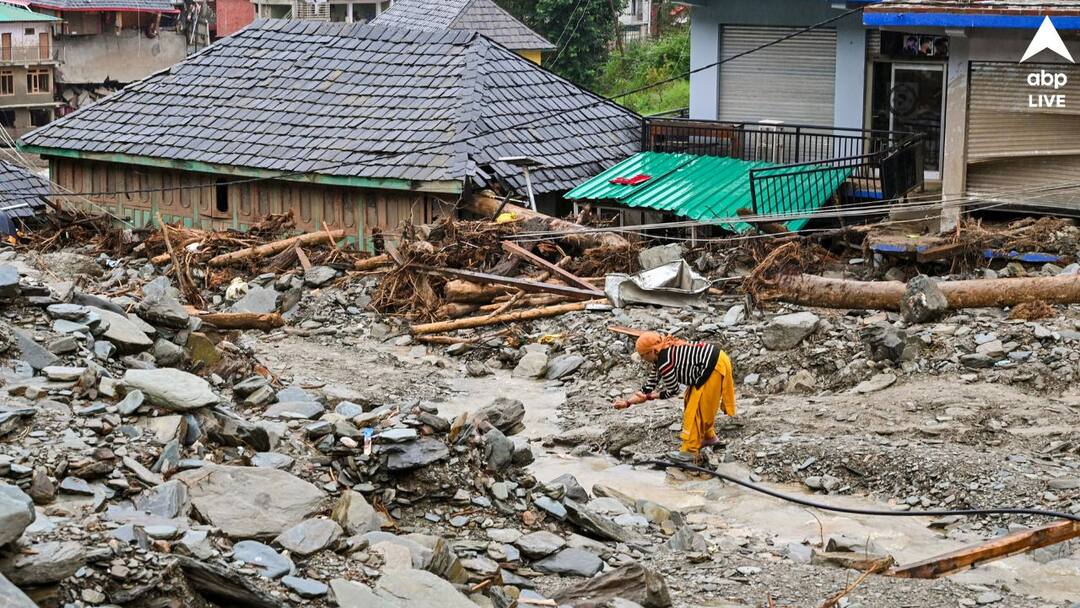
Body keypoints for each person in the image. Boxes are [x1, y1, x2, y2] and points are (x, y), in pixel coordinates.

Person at [612, 333, 735, 461]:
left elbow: (673, 391)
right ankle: (709, 437)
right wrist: (627, 403)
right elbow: (650, 383)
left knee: (696, 410)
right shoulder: (662, 352)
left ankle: (689, 452)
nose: (643, 360)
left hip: (713, 366)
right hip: (712, 361)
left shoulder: (665, 362)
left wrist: (650, 397)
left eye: (643, 356)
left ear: (651, 352)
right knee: (691, 401)